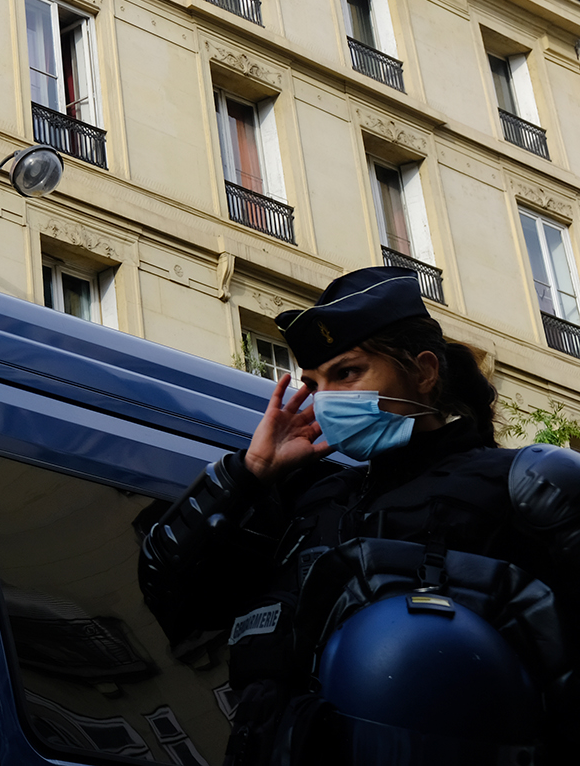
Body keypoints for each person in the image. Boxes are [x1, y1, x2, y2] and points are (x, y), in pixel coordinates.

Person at [137, 266, 580, 762]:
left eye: (347, 372)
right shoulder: (306, 499)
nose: (326, 399)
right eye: (314, 382)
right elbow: (173, 601)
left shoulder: (521, 486)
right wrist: (251, 471)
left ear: (424, 372)